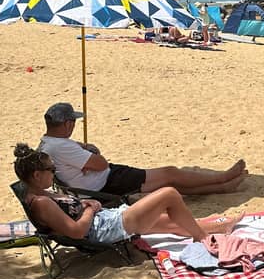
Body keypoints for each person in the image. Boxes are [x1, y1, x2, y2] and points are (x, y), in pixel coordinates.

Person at [13, 144, 241, 245]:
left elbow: (71, 216)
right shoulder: (42, 202)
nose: (55, 173)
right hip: (105, 230)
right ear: (36, 175)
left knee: (172, 223)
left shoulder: (41, 193)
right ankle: (201, 238)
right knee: (169, 194)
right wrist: (91, 209)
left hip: (106, 220)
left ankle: (220, 226)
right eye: (51, 170)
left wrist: (87, 204)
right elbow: (77, 231)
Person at [39, 103, 248, 196]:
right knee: (170, 173)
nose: (74, 125)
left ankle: (221, 187)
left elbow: (90, 153)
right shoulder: (63, 147)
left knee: (169, 182)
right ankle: (221, 178)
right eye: (73, 122)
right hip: (106, 183)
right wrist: (92, 156)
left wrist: (88, 153)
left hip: (101, 179)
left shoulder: (49, 143)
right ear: (67, 124)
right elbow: (101, 162)